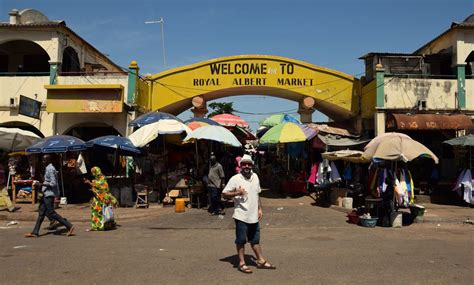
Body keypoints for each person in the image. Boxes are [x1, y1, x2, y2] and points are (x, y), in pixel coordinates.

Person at [222, 154, 276, 274]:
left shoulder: (255, 176)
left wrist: (260, 209)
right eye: (244, 164)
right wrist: (237, 192)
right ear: (240, 166)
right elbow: (224, 194)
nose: (246, 166)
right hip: (241, 215)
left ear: (252, 165)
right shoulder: (235, 179)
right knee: (241, 240)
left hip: (253, 216)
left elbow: (257, 194)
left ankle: (261, 261)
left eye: (249, 164)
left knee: (255, 240)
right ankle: (242, 264)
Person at [25, 154, 75, 238]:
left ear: (49, 160)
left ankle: (69, 226)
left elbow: (53, 183)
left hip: (49, 194)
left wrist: (41, 183)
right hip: (46, 193)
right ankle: (35, 232)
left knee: (52, 213)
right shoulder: (48, 168)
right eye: (43, 160)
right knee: (41, 213)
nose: (43, 162)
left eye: (44, 160)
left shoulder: (50, 169)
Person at [83, 166, 118, 231]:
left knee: (102, 212)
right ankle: (103, 225)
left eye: (93, 172)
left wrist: (89, 183)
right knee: (103, 212)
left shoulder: (101, 179)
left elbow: (99, 187)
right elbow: (97, 187)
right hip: (100, 198)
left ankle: (99, 226)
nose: (92, 174)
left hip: (101, 199)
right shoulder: (102, 178)